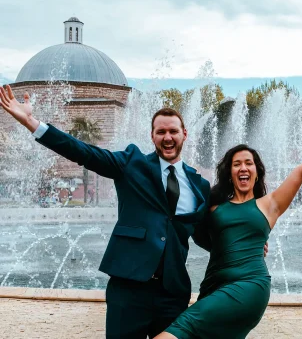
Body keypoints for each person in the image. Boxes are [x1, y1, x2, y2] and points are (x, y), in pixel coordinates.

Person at [0, 84, 268, 338]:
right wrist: (32, 123)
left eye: (173, 131)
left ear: (184, 134)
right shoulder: (131, 163)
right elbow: (84, 152)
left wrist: (247, 244)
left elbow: (203, 235)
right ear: (152, 136)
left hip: (172, 292)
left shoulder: (199, 185)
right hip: (129, 288)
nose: (167, 137)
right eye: (160, 132)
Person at [156, 140, 302, 339]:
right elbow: (198, 235)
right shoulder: (213, 207)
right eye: (237, 164)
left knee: (182, 328)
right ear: (230, 173)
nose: (243, 168)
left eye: (248, 163)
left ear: (256, 171)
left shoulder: (269, 205)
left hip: (249, 285)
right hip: (213, 286)